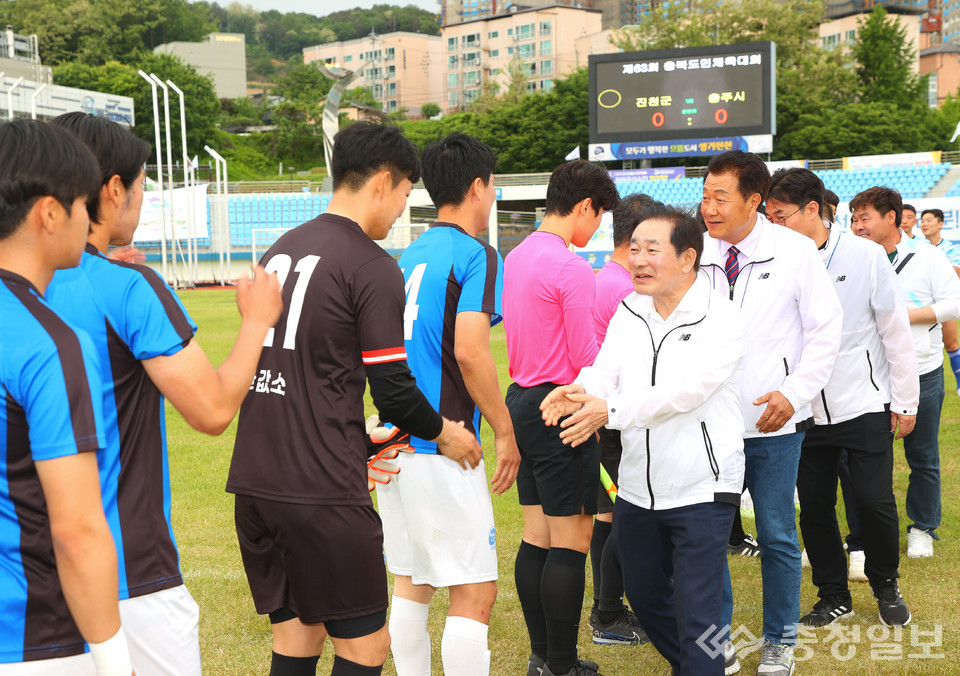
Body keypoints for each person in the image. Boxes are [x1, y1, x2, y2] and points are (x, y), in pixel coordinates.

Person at [226, 118, 482, 676]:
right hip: (320, 489)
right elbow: (392, 390)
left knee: (296, 640)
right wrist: (447, 432)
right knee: (365, 649)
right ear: (383, 181)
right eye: (405, 195)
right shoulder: (370, 264)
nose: (400, 212)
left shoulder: (281, 248)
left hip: (256, 482)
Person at [44, 111, 283, 675]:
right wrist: (257, 322)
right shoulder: (128, 286)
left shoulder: (24, 287)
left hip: (36, 573)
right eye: (142, 187)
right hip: (129, 571)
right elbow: (213, 409)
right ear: (113, 189)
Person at [541, 204, 747, 675]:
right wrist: (581, 391)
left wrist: (608, 412)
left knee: (698, 610)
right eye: (633, 248)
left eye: (652, 249)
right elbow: (606, 369)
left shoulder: (721, 316)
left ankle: (703, 665)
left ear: (687, 257)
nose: (638, 259)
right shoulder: (630, 309)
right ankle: (698, 664)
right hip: (637, 486)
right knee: (644, 591)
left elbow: (687, 392)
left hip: (702, 486)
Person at [380, 133, 521, 676]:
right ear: (479, 186)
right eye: (493, 185)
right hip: (445, 442)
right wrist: (505, 430)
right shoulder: (476, 254)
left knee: (412, 582)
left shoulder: (406, 255)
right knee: (473, 590)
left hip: (395, 443)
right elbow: (469, 351)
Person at [699, 150, 842, 676]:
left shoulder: (793, 251)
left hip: (771, 423)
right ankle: (717, 643)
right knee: (709, 536)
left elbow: (826, 330)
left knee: (779, 533)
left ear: (754, 200)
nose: (709, 207)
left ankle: (780, 641)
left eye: (721, 197)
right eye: (705, 195)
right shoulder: (697, 250)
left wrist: (794, 392)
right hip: (709, 425)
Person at [0, 119, 133, 674]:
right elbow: (77, 530)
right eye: (83, 202)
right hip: (35, 634)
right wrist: (113, 659)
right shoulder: (49, 341)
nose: (91, 218)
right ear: (50, 213)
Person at [766, 169, 918, 628]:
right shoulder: (777, 258)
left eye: (781, 215)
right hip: (804, 407)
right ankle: (832, 593)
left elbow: (894, 330)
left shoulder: (865, 255)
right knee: (813, 506)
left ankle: (885, 582)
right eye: (767, 216)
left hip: (864, 402)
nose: (772, 225)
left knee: (874, 501)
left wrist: (905, 400)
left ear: (813, 209)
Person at [502, 159, 619, 676]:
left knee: (537, 536)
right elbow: (585, 354)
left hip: (523, 400)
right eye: (598, 218)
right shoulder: (570, 266)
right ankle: (563, 663)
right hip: (562, 405)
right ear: (585, 206)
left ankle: (542, 657)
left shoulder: (519, 254)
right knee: (572, 538)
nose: (596, 230)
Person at [851, 187, 960, 560]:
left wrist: (905, 318)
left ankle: (923, 528)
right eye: (854, 219)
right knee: (863, 459)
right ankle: (862, 536)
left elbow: (953, 302)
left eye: (865, 218)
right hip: (869, 373)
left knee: (924, 455)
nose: (858, 225)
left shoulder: (928, 257)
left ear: (892, 218)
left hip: (922, 370)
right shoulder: (851, 257)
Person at [588, 193, 654, 647]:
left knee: (608, 516)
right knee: (618, 517)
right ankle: (607, 613)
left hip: (607, 413)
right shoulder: (623, 288)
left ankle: (609, 608)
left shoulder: (608, 277)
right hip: (613, 418)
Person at [918, 208, 960, 394]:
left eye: (929, 220)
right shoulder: (917, 247)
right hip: (922, 305)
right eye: (923, 220)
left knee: (951, 343)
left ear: (941, 224)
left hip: (941, 303)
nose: (924, 224)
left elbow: (956, 274)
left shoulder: (951, 248)